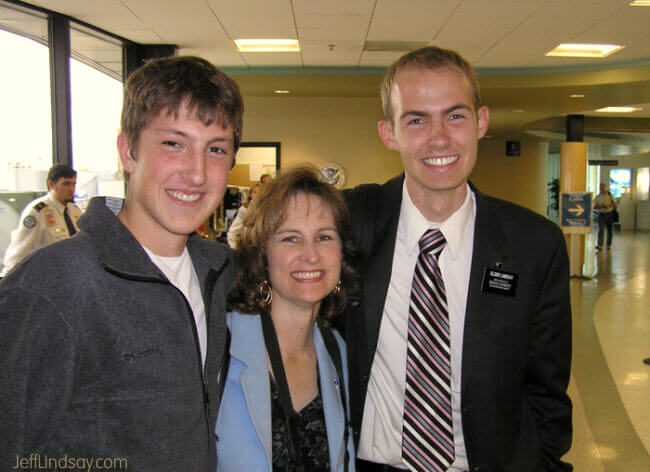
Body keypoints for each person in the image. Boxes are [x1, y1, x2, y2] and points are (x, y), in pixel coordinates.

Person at [0, 56, 243, 471]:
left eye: (216, 149)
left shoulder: (219, 272)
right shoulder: (52, 288)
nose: (197, 173)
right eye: (173, 143)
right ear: (128, 151)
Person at [341, 46, 573, 471]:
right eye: (416, 119)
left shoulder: (534, 245)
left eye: (455, 115)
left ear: (481, 122)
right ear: (388, 133)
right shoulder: (347, 225)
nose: (440, 138)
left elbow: (547, 390)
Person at [217, 166, 361, 472]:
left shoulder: (340, 352)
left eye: (324, 237)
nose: (310, 255)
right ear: (262, 254)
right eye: (290, 239)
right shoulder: (219, 345)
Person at [1, 164, 81, 277]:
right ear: (51, 184)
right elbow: (18, 255)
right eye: (66, 184)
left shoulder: (75, 212)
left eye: (74, 184)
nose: (71, 189)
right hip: (48, 279)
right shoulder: (38, 212)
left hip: (72, 277)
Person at [227, 182, 261, 248]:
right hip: (249, 249)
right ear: (250, 194)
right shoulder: (245, 210)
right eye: (255, 192)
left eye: (260, 193)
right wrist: (235, 250)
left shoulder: (266, 211)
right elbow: (233, 233)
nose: (258, 195)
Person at [593, 182, 617, 251]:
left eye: (603, 187)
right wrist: (601, 206)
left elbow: (615, 203)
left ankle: (608, 244)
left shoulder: (610, 195)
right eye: (601, 187)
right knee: (601, 229)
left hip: (609, 214)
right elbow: (594, 206)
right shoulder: (598, 197)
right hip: (601, 214)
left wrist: (609, 205)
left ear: (605, 187)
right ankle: (600, 245)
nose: (602, 189)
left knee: (610, 230)